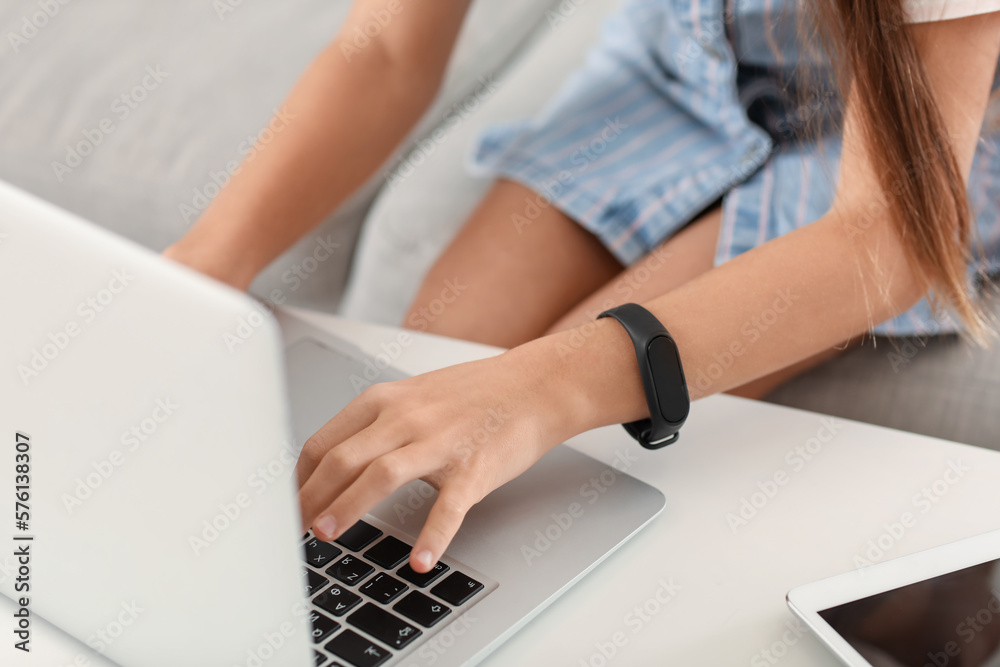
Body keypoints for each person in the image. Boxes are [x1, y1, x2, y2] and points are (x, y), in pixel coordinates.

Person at [164, 0, 1000, 573]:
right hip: (685, 56)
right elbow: (383, 47)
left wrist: (546, 383)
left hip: (953, 121)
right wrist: (198, 271)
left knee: (563, 470)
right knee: (417, 433)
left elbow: (889, 236)